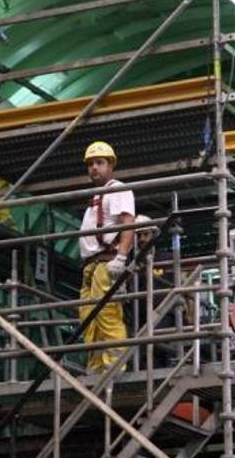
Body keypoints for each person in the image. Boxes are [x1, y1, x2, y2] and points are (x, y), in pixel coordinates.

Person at [78, 141, 135, 373]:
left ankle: (114, 369)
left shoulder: (117, 189)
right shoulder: (96, 199)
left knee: (108, 316)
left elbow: (127, 223)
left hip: (105, 263)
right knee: (89, 320)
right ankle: (96, 369)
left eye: (100, 163)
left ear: (110, 165)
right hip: (91, 266)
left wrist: (121, 257)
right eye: (91, 164)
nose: (94, 168)